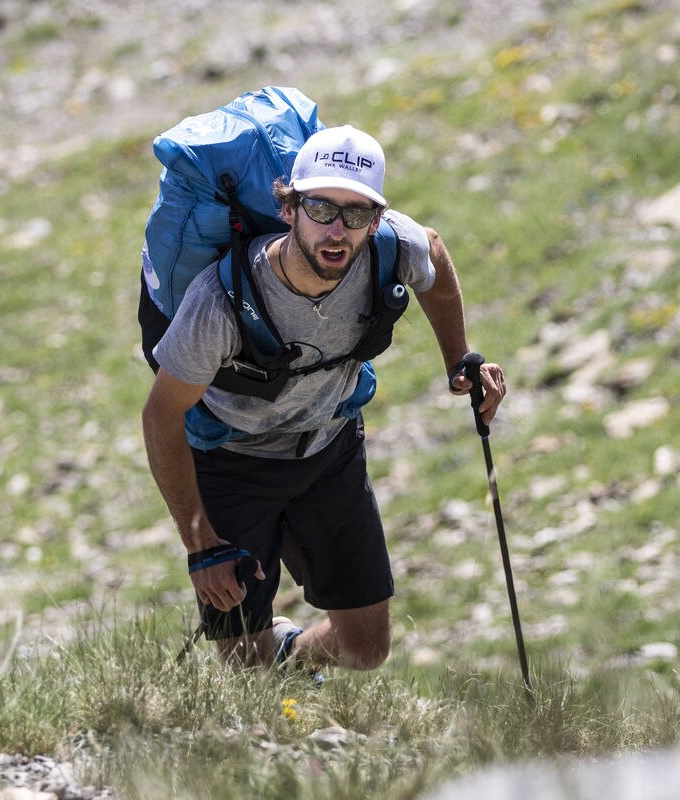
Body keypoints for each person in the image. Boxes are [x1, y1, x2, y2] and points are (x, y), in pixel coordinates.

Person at [141, 125, 507, 671]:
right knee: (245, 671)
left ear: (377, 220)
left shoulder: (392, 247)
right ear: (288, 208)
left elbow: (432, 252)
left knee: (366, 648)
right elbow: (161, 416)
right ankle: (264, 670)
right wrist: (202, 547)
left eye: (357, 214)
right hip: (231, 463)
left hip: (328, 449)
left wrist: (458, 359)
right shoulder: (220, 303)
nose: (337, 230)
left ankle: (290, 657)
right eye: (320, 209)